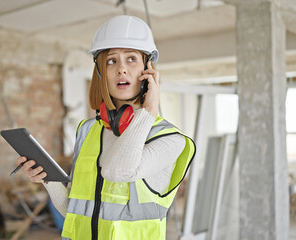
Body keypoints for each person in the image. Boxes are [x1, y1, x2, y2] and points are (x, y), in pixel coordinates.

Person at [16, 15, 195, 240]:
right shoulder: (89, 130)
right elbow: (75, 212)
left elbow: (117, 172)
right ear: (100, 73)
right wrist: (47, 179)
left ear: (148, 70)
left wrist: (148, 112)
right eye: (111, 61)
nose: (121, 69)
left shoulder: (170, 139)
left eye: (131, 59)